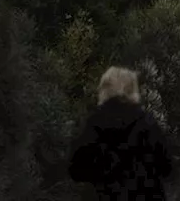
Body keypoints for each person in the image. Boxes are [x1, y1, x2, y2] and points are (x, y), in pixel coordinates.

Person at [68, 66, 174, 200]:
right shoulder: (148, 123)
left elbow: (75, 170)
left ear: (104, 88)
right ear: (133, 89)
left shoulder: (94, 122)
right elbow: (167, 167)